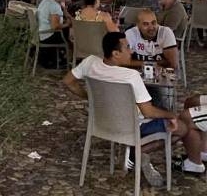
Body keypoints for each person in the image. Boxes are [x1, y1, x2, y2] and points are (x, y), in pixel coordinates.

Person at [63, 32, 206, 184]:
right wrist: (171, 114)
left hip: (102, 122)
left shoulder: (90, 62)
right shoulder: (130, 76)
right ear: (116, 53)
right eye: (127, 48)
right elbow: (148, 111)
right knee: (182, 127)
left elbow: (68, 81)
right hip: (132, 126)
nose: (131, 51)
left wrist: (90, 97)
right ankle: (135, 153)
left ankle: (133, 153)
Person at [37, 0, 72, 67]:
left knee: (67, 30)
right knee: (70, 32)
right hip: (48, 36)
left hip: (41, 33)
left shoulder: (46, 0)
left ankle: (63, 56)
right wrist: (67, 24)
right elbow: (55, 26)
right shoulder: (54, 6)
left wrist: (63, 8)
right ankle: (69, 57)